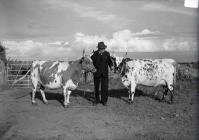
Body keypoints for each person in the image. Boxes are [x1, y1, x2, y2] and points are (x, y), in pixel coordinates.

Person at [91, 42, 113, 106]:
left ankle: (104, 101)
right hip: (96, 73)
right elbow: (91, 62)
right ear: (99, 48)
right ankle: (96, 100)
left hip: (104, 73)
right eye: (101, 48)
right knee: (96, 88)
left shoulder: (107, 53)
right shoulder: (94, 54)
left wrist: (111, 66)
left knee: (105, 88)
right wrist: (92, 69)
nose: (103, 49)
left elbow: (109, 61)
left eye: (103, 48)